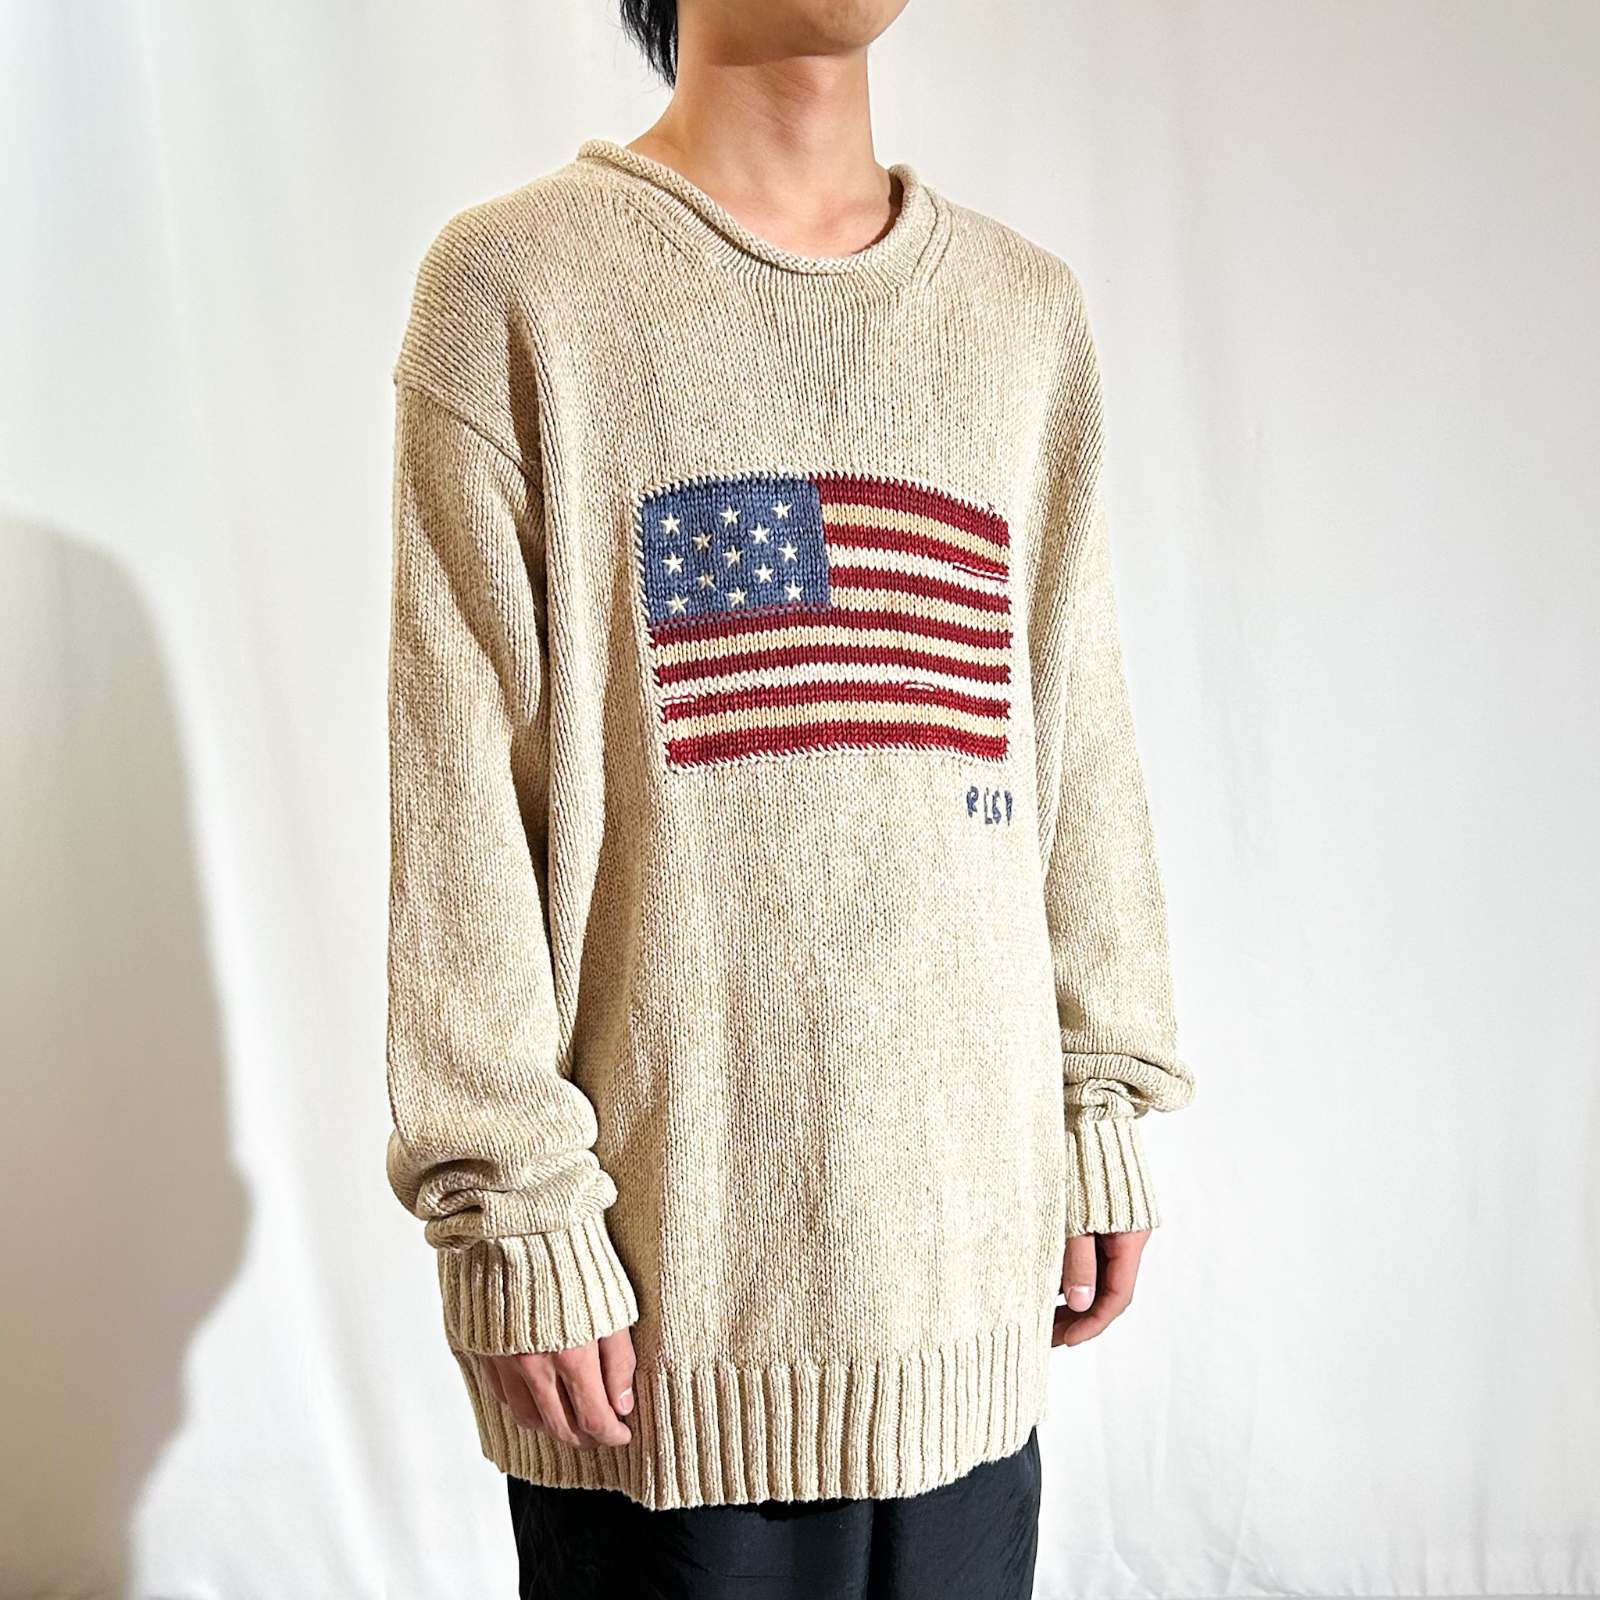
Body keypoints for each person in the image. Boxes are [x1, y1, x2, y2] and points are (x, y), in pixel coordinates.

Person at [382, 0, 1197, 1593]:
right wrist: (511, 1213)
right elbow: (460, 801)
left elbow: (1075, 736)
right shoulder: (518, 288)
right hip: (660, 1335)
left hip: (970, 1312)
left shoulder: (1020, 316)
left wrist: (1101, 1101)